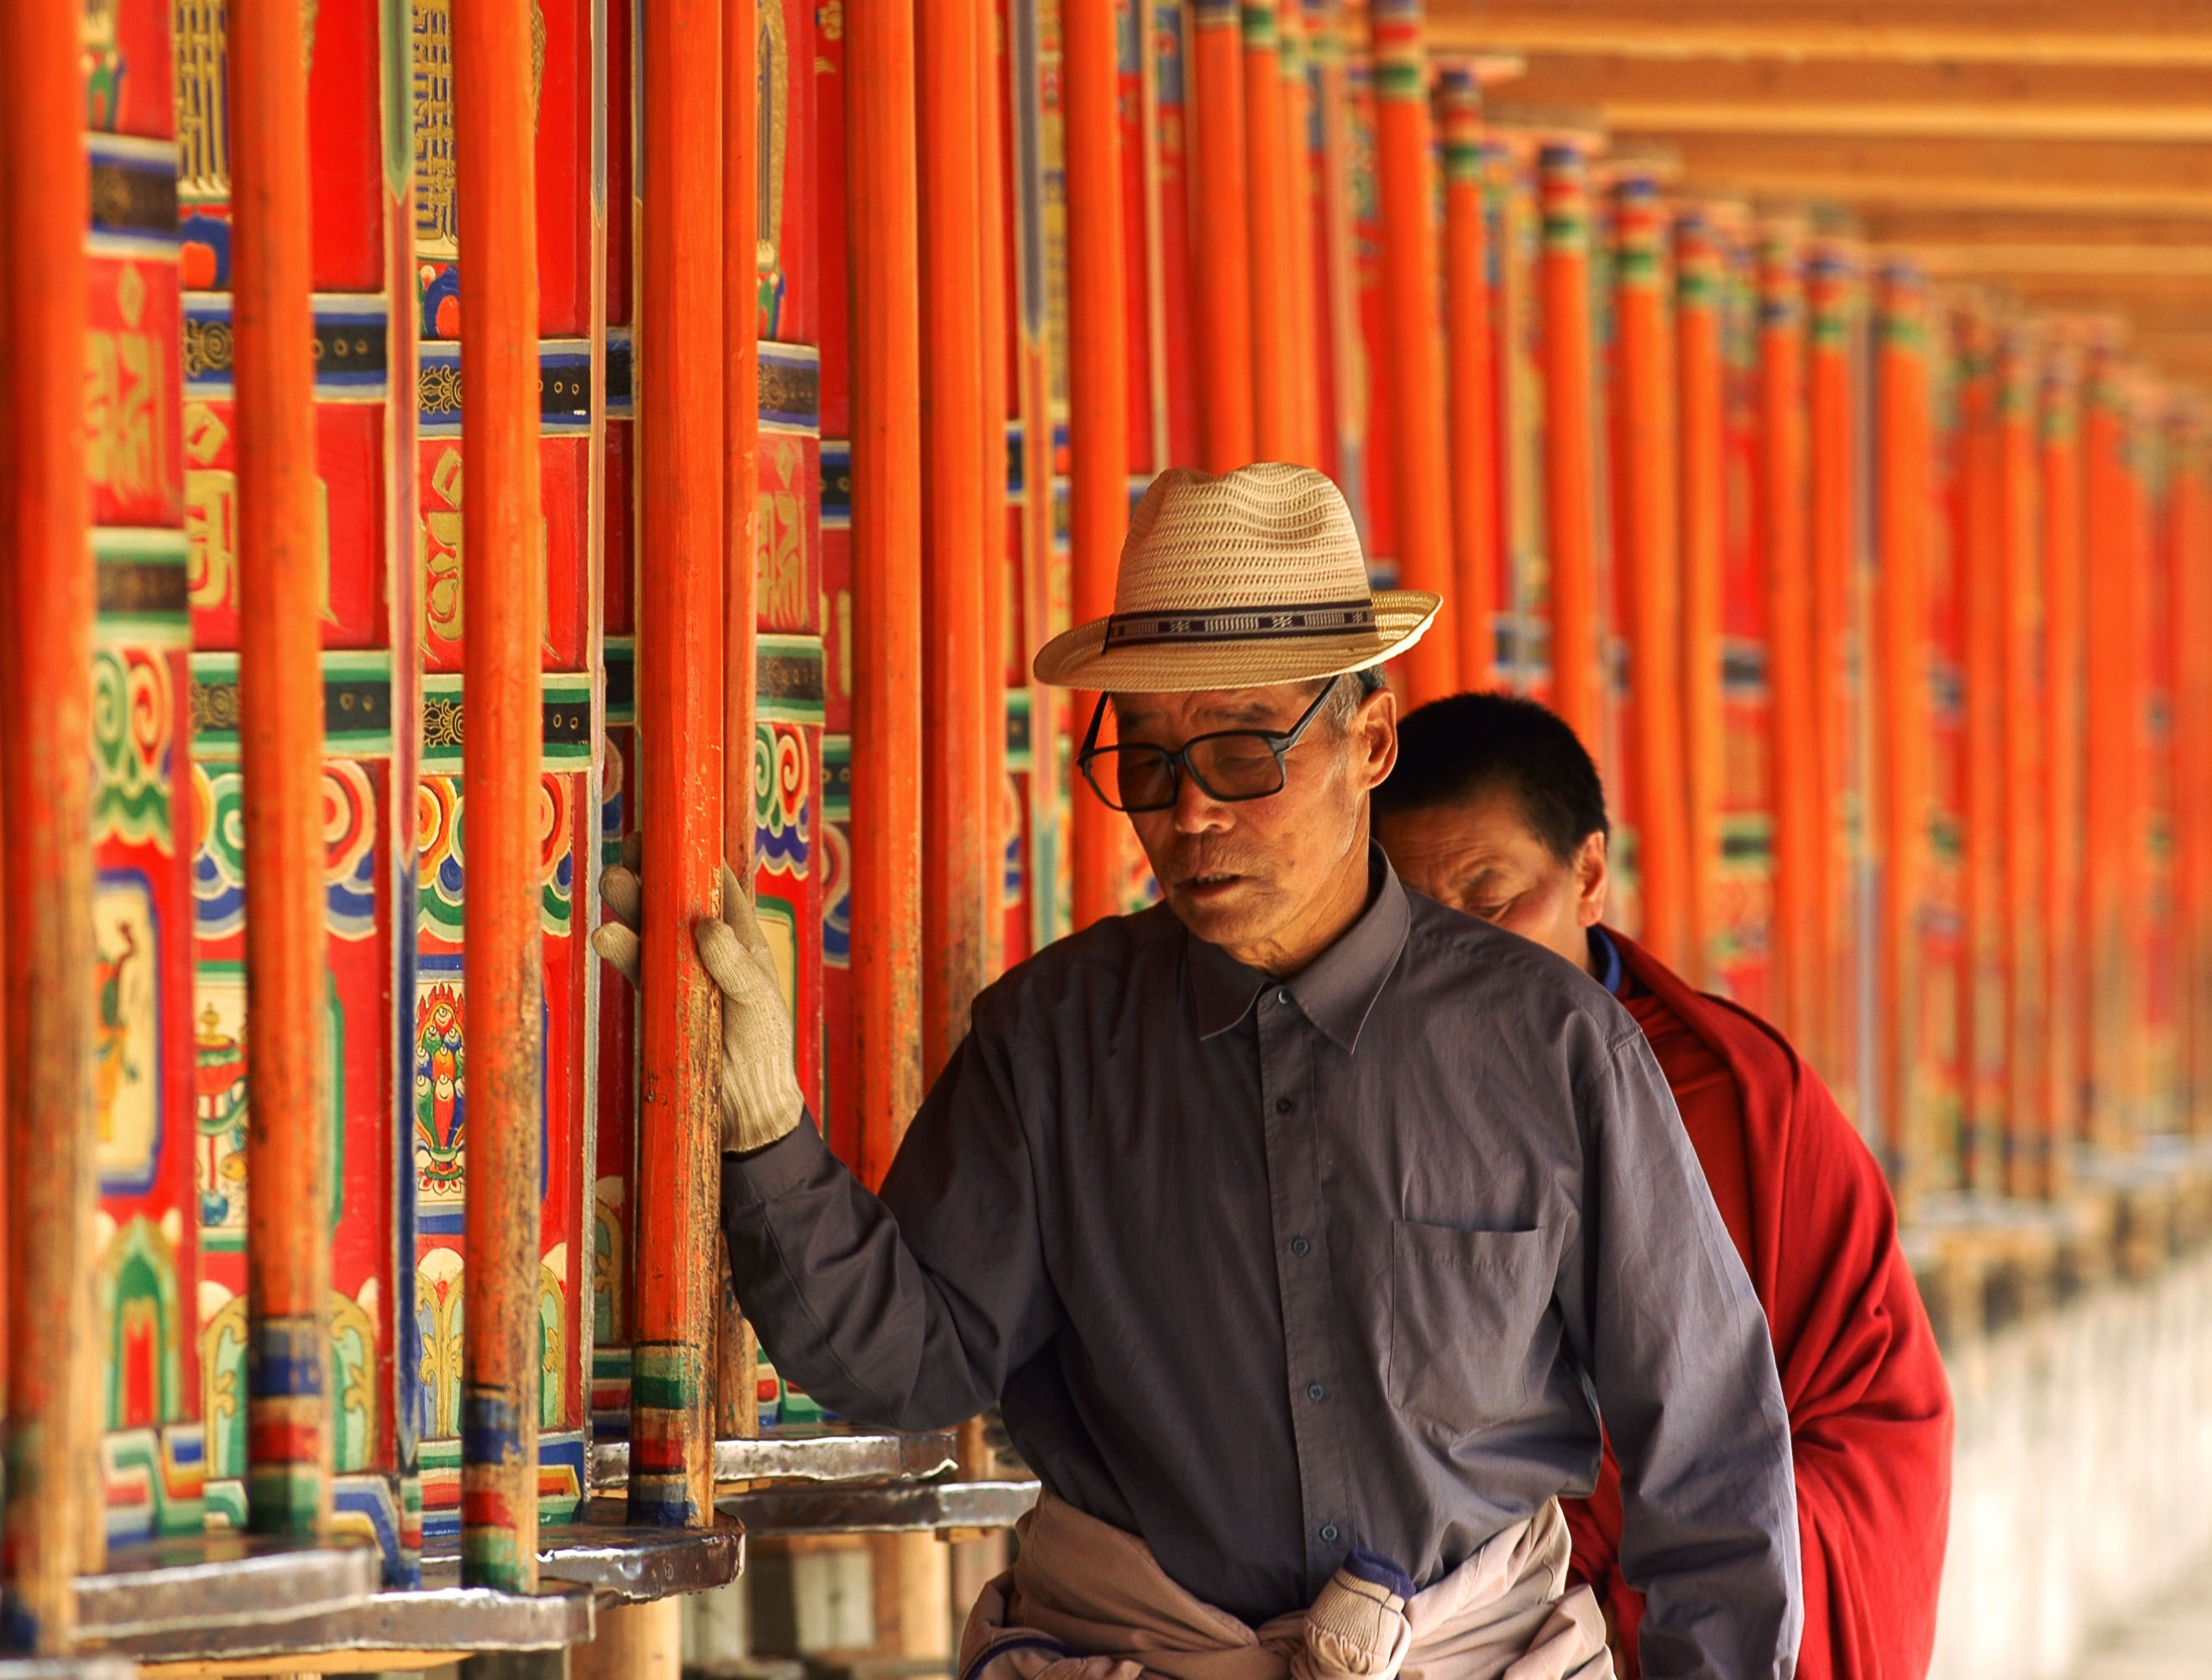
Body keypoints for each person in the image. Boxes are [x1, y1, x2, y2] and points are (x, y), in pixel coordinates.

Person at [596, 464, 1802, 1680]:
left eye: (1239, 754)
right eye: (1151, 764)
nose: (1190, 817)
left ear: (1369, 741)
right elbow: (909, 1362)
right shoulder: (1056, 1039)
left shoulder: (1553, 1045)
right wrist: (761, 1121)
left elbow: (1707, 1452)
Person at [1371, 693, 1951, 1680]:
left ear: (1588, 873)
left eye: (1491, 898)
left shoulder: (1719, 1100)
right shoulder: (1358, 1082)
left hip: (1724, 1545)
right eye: (1416, 919)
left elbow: (1785, 1418)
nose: (1453, 957)